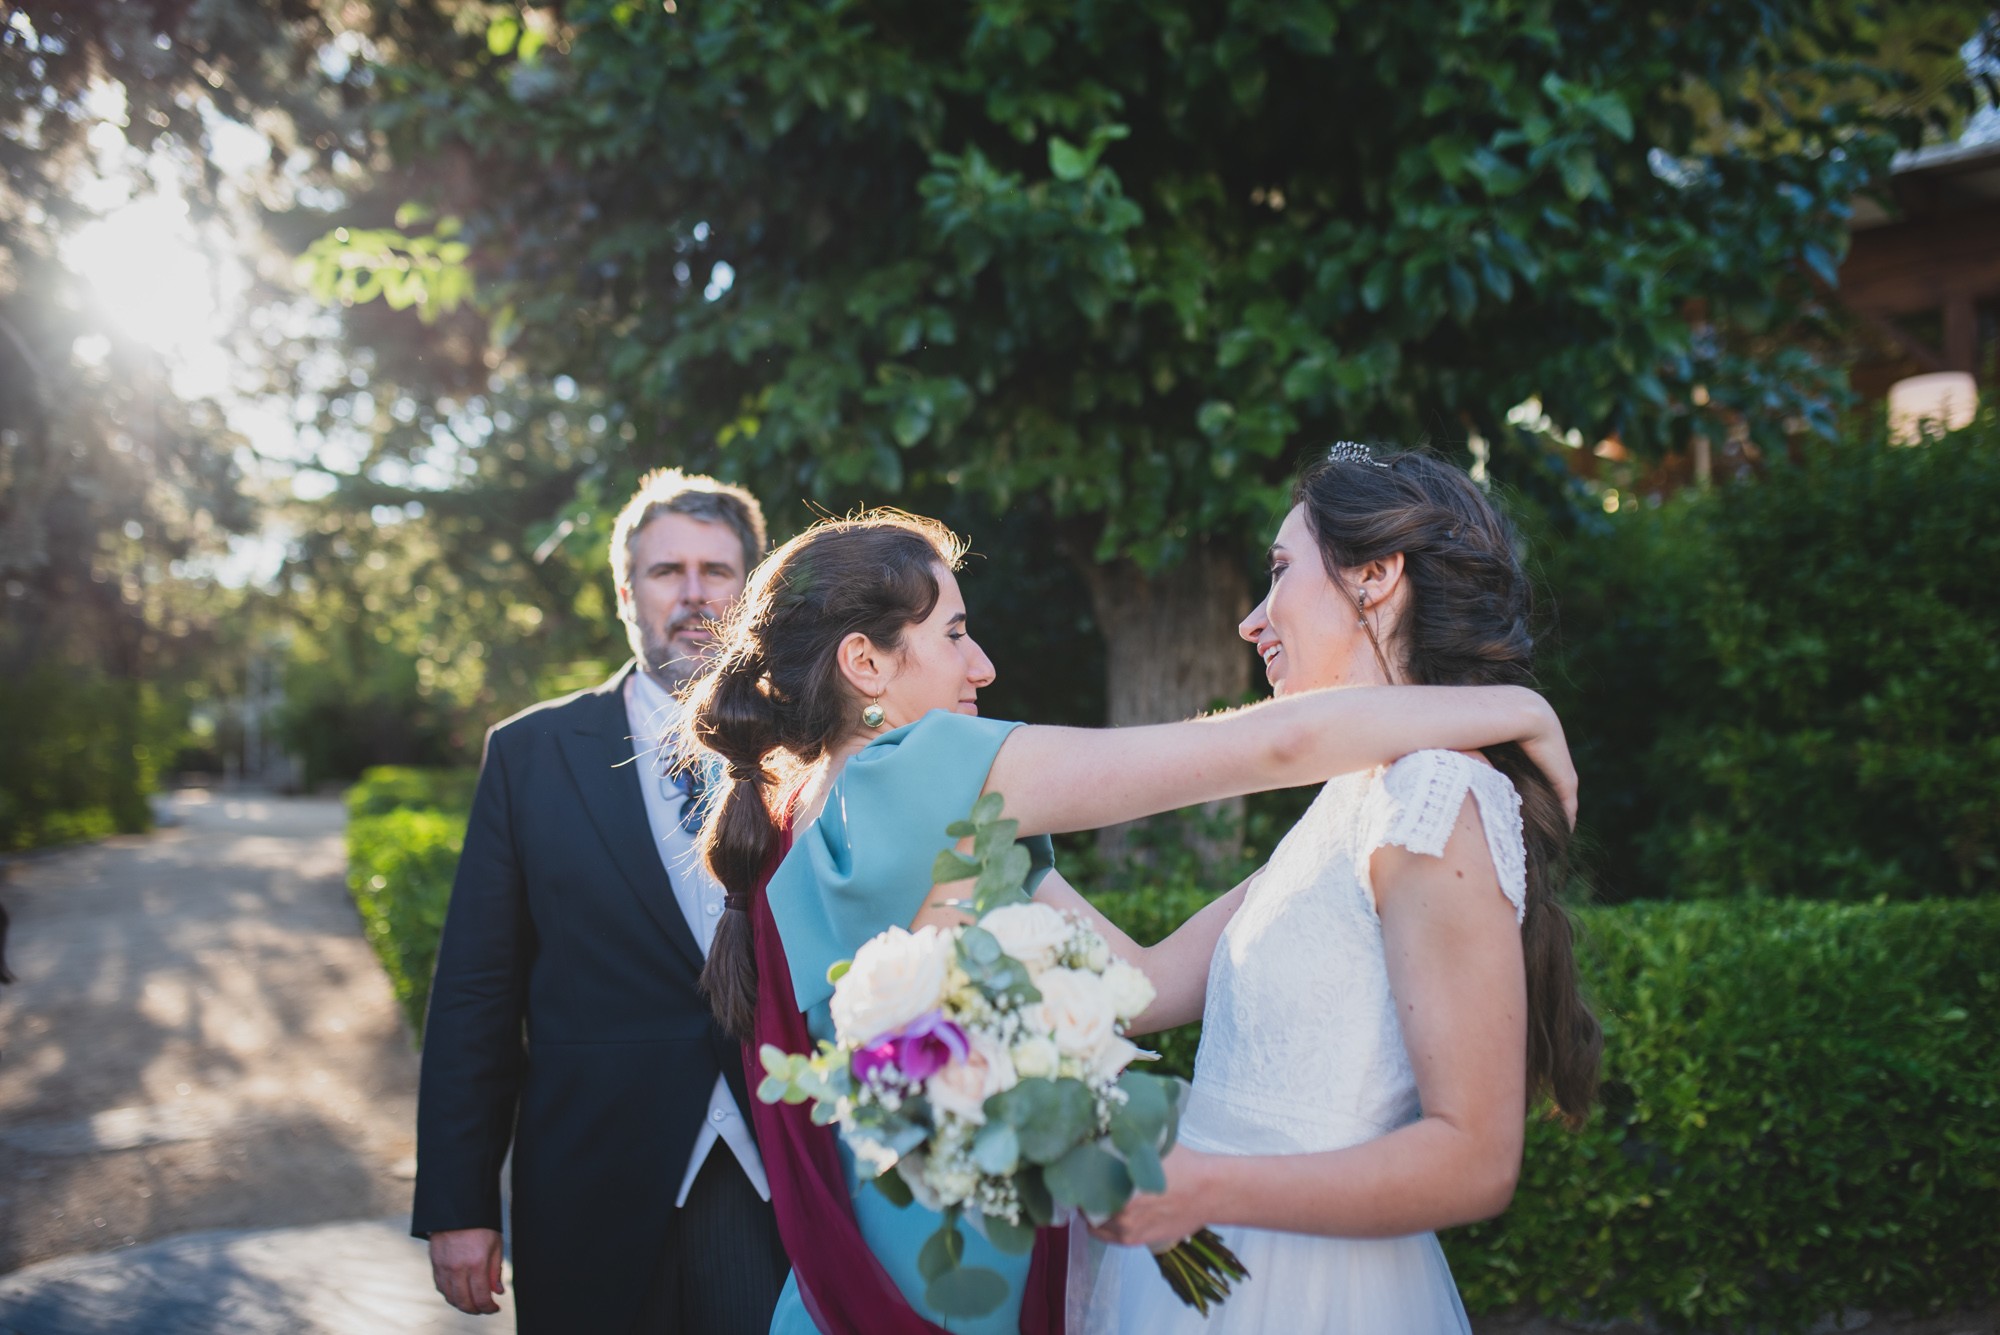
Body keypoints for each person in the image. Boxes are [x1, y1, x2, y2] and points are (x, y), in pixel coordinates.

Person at [680, 507, 1579, 1335]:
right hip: (927, 1299)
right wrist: (1521, 711)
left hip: (899, 1288)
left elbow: (1138, 988)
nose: (982, 664)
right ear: (865, 663)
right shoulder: (913, 770)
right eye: (953, 633)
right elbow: (1277, 743)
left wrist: (1335, 856)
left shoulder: (826, 813)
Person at [1078, 445, 1603, 1333]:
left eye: (1280, 570)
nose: (1252, 619)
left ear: (1376, 576)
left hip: (1309, 1294)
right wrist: (984, 842)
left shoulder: (1436, 798)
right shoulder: (1355, 793)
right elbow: (1140, 985)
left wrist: (1206, 1186)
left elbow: (1476, 1159)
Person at [413, 468, 790, 1333]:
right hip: (591, 1179)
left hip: (776, 1173)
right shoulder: (530, 754)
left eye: (717, 570)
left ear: (750, 592)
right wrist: (460, 1200)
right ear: (626, 594)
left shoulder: (813, 741)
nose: (693, 594)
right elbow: (477, 989)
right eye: (666, 571)